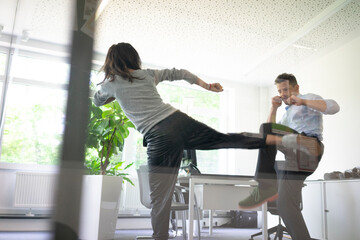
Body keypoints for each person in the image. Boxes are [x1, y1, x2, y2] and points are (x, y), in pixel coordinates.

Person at [93, 43, 309, 240]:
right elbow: (180, 73)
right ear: (133, 58)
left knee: (160, 197)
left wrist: (113, 93)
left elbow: (98, 100)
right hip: (177, 120)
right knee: (223, 139)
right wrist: (206, 86)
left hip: (158, 136)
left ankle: (160, 237)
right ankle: (272, 139)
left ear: (111, 61)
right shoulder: (146, 75)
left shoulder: (112, 83)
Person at [238, 73, 340, 240]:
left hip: (309, 146)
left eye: (285, 89)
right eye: (280, 91)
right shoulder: (286, 114)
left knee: (273, 133)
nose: (282, 93)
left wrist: (304, 102)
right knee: (284, 205)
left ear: (296, 88)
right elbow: (267, 131)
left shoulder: (309, 98)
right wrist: (274, 108)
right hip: (293, 158)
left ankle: (265, 180)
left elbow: (335, 107)